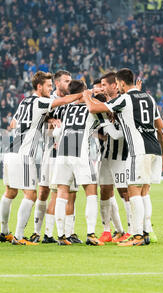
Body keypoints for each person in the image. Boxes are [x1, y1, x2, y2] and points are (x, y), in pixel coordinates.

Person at [83, 68, 163, 246]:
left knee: (133, 191)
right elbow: (159, 125)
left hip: (139, 150)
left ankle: (137, 236)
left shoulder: (124, 98)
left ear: (120, 83)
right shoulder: (149, 98)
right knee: (144, 192)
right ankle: (145, 232)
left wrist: (86, 95)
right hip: (154, 148)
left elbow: (92, 107)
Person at [0, 71, 83, 245]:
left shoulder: (24, 101)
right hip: (24, 154)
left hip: (10, 150)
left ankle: (4, 232)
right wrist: (83, 93)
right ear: (39, 87)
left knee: (10, 192)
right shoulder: (41, 101)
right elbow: (64, 100)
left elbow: (12, 124)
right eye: (48, 86)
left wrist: (43, 120)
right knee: (31, 195)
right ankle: (19, 236)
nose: (50, 88)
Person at [29, 70, 82, 244]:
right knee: (44, 191)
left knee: (70, 194)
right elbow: (37, 119)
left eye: (70, 80)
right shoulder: (47, 101)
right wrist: (49, 121)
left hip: (68, 153)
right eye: (66, 81)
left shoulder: (73, 102)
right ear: (57, 84)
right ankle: (39, 231)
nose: (70, 83)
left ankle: (69, 232)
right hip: (49, 154)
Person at [51, 80, 103, 246]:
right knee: (91, 191)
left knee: (61, 192)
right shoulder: (92, 106)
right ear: (84, 91)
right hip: (80, 153)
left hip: (62, 154)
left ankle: (61, 236)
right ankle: (91, 234)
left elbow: (56, 126)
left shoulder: (65, 108)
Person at [96, 72, 132, 243]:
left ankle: (132, 230)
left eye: (104, 84)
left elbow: (121, 134)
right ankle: (107, 231)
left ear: (114, 85)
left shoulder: (123, 103)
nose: (101, 88)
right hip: (105, 155)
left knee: (124, 191)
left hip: (120, 156)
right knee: (104, 191)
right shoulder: (104, 105)